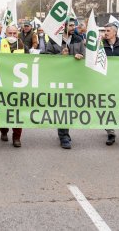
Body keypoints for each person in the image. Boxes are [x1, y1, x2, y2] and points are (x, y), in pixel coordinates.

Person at [45, 19, 83, 149]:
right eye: (71, 25)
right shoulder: (53, 40)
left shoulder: (79, 39)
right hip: (59, 80)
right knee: (63, 107)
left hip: (74, 78)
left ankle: (64, 132)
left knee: (70, 107)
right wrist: (61, 55)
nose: (74, 27)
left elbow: (86, 55)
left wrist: (80, 56)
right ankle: (64, 136)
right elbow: (45, 58)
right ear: (64, 26)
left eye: (74, 25)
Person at [0, 25, 25, 147]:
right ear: (5, 34)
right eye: (9, 33)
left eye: (14, 33)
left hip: (18, 85)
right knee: (2, 110)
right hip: (1, 84)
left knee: (18, 112)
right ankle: (3, 131)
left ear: (18, 34)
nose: (12, 36)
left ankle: (17, 137)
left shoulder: (23, 47)